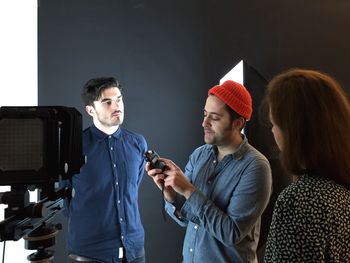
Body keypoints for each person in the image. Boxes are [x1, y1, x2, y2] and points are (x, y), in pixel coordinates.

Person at [147, 80, 272, 263]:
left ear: (237, 123)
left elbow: (231, 233)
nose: (204, 123)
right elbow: (187, 219)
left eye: (214, 117)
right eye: (205, 114)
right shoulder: (200, 155)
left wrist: (189, 190)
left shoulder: (256, 167)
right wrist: (172, 194)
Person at [264, 68, 350, 262]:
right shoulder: (343, 194)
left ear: (293, 130)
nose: (272, 130)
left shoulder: (298, 201)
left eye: (275, 123)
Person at [64, 77, 147, 263]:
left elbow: (132, 188)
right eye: (107, 102)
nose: (116, 106)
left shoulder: (137, 143)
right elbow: (64, 196)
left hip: (134, 249)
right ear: (90, 110)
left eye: (119, 99)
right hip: (90, 252)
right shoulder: (73, 147)